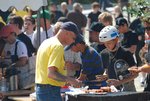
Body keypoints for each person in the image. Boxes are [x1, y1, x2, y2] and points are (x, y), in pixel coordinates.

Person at [35, 22, 83, 101]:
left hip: (42, 89)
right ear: (67, 33)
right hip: (49, 90)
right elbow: (51, 74)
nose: (73, 42)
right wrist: (70, 80)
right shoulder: (58, 46)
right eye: (73, 38)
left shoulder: (46, 42)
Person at [99, 25, 138, 91]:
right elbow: (107, 70)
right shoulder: (103, 53)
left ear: (116, 39)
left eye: (109, 43)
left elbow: (135, 74)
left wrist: (119, 82)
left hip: (128, 91)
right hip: (112, 90)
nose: (106, 45)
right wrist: (105, 76)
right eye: (104, 43)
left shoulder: (126, 53)